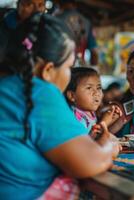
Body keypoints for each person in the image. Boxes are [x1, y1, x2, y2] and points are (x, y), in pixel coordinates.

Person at [0, 13, 119, 199]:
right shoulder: (37, 92)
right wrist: (109, 146)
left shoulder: (7, 86)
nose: (68, 76)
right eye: (68, 67)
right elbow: (90, 162)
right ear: (47, 70)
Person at [64, 67, 122, 138]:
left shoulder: (89, 112)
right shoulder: (74, 117)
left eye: (98, 88)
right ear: (72, 95)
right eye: (89, 88)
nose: (96, 93)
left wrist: (110, 118)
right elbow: (82, 145)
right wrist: (104, 122)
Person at [55, 0, 98, 66]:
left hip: (61, 65)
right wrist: (93, 68)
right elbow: (93, 51)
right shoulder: (86, 21)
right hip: (79, 65)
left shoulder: (56, 19)